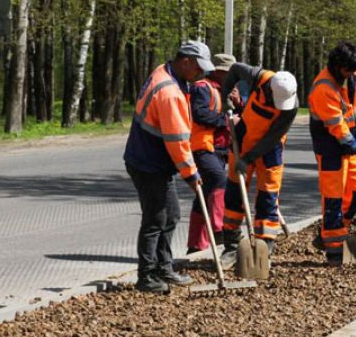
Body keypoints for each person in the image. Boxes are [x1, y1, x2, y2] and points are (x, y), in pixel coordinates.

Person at [123, 41, 213, 293]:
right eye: (198, 68)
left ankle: (164, 266)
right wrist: (191, 175)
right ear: (185, 61)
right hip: (148, 163)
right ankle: (147, 276)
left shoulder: (166, 72)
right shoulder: (170, 92)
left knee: (170, 214)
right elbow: (177, 142)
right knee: (156, 218)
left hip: (152, 161)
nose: (201, 74)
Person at [307, 41, 356, 266]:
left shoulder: (350, 73)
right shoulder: (323, 88)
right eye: (349, 70)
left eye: (354, 71)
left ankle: (331, 235)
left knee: (354, 196)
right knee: (333, 198)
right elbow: (337, 127)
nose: (352, 74)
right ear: (338, 66)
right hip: (330, 149)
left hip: (351, 146)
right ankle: (333, 250)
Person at [220, 62, 299, 263]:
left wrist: (248, 158)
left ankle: (265, 246)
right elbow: (234, 69)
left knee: (268, 195)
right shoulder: (260, 76)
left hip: (270, 149)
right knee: (234, 192)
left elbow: (272, 136)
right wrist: (224, 97)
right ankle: (231, 244)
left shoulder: (291, 106)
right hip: (243, 140)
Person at [185, 54, 236, 254]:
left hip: (220, 148)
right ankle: (218, 229)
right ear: (219, 72)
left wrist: (236, 103)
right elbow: (200, 114)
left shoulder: (225, 90)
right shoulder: (202, 88)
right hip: (202, 146)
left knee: (204, 194)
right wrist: (226, 120)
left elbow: (237, 112)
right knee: (218, 180)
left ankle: (196, 245)